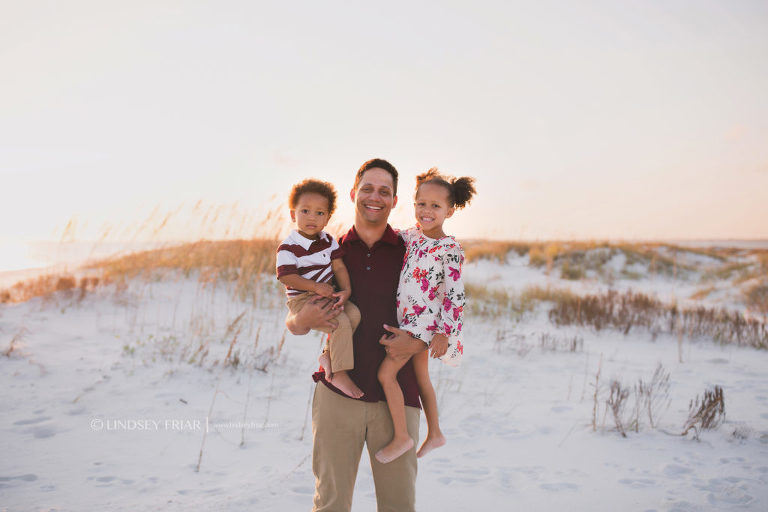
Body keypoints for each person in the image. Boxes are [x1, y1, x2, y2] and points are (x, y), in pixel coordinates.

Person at [285, 158, 426, 512]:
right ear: (353, 194)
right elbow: (293, 321)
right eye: (367, 188)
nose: (374, 197)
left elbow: (443, 316)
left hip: (398, 396)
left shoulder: (414, 252)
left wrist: (419, 342)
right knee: (330, 504)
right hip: (337, 391)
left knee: (399, 505)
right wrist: (303, 320)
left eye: (384, 191)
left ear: (395, 201)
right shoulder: (326, 249)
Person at [375, 168, 475, 464]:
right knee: (422, 379)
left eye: (435, 206)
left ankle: (402, 436)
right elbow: (386, 234)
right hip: (407, 319)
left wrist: (445, 333)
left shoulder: (450, 249)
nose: (426, 211)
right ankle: (435, 433)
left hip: (423, 325)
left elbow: (456, 296)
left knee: (385, 374)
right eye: (421, 204)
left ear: (450, 211)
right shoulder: (411, 236)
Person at [276, 178, 363, 398]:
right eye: (305, 211)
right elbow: (287, 277)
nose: (312, 217)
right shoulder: (288, 247)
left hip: (327, 295)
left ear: (327, 218)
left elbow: (339, 267)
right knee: (340, 323)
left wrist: (347, 291)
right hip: (304, 299)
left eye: (319, 213)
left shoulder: (328, 241)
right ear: (293, 214)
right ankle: (339, 373)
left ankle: (329, 356)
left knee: (354, 314)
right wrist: (315, 287)